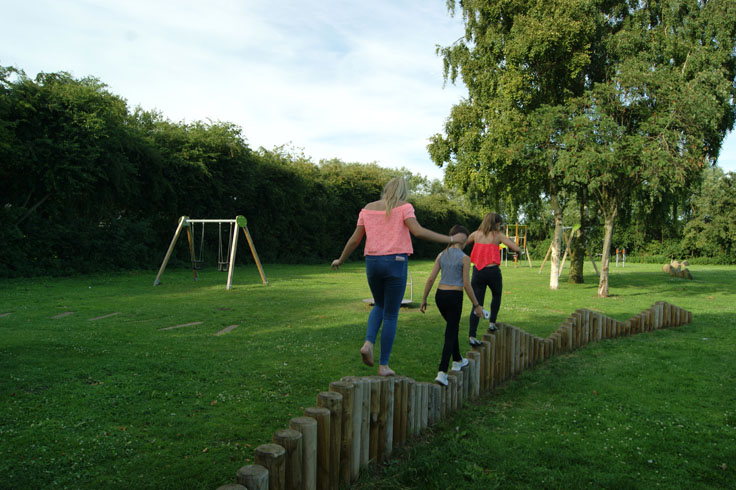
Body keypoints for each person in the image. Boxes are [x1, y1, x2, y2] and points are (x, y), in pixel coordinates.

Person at [331, 177, 467, 377]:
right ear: (403, 192)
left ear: (385, 190)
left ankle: (369, 343)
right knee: (391, 313)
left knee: (379, 304)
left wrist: (341, 259)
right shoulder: (405, 207)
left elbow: (355, 239)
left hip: (372, 263)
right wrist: (450, 239)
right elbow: (418, 232)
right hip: (396, 263)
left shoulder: (367, 208)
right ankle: (383, 365)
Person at [419, 225, 485, 387]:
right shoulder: (464, 258)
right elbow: (467, 285)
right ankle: (442, 372)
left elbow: (430, 279)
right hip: (454, 297)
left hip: (440, 296)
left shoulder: (441, 255)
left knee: (452, 327)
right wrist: (477, 305)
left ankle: (457, 360)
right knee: (450, 332)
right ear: (464, 241)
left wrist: (424, 299)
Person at [465, 212, 522, 346]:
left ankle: (472, 336)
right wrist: (518, 253)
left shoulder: (475, 234)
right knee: (496, 295)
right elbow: (515, 248)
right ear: (496, 223)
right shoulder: (498, 236)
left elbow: (462, 244)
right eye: (499, 224)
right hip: (492, 271)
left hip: (478, 271)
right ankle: (492, 323)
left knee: (477, 304)